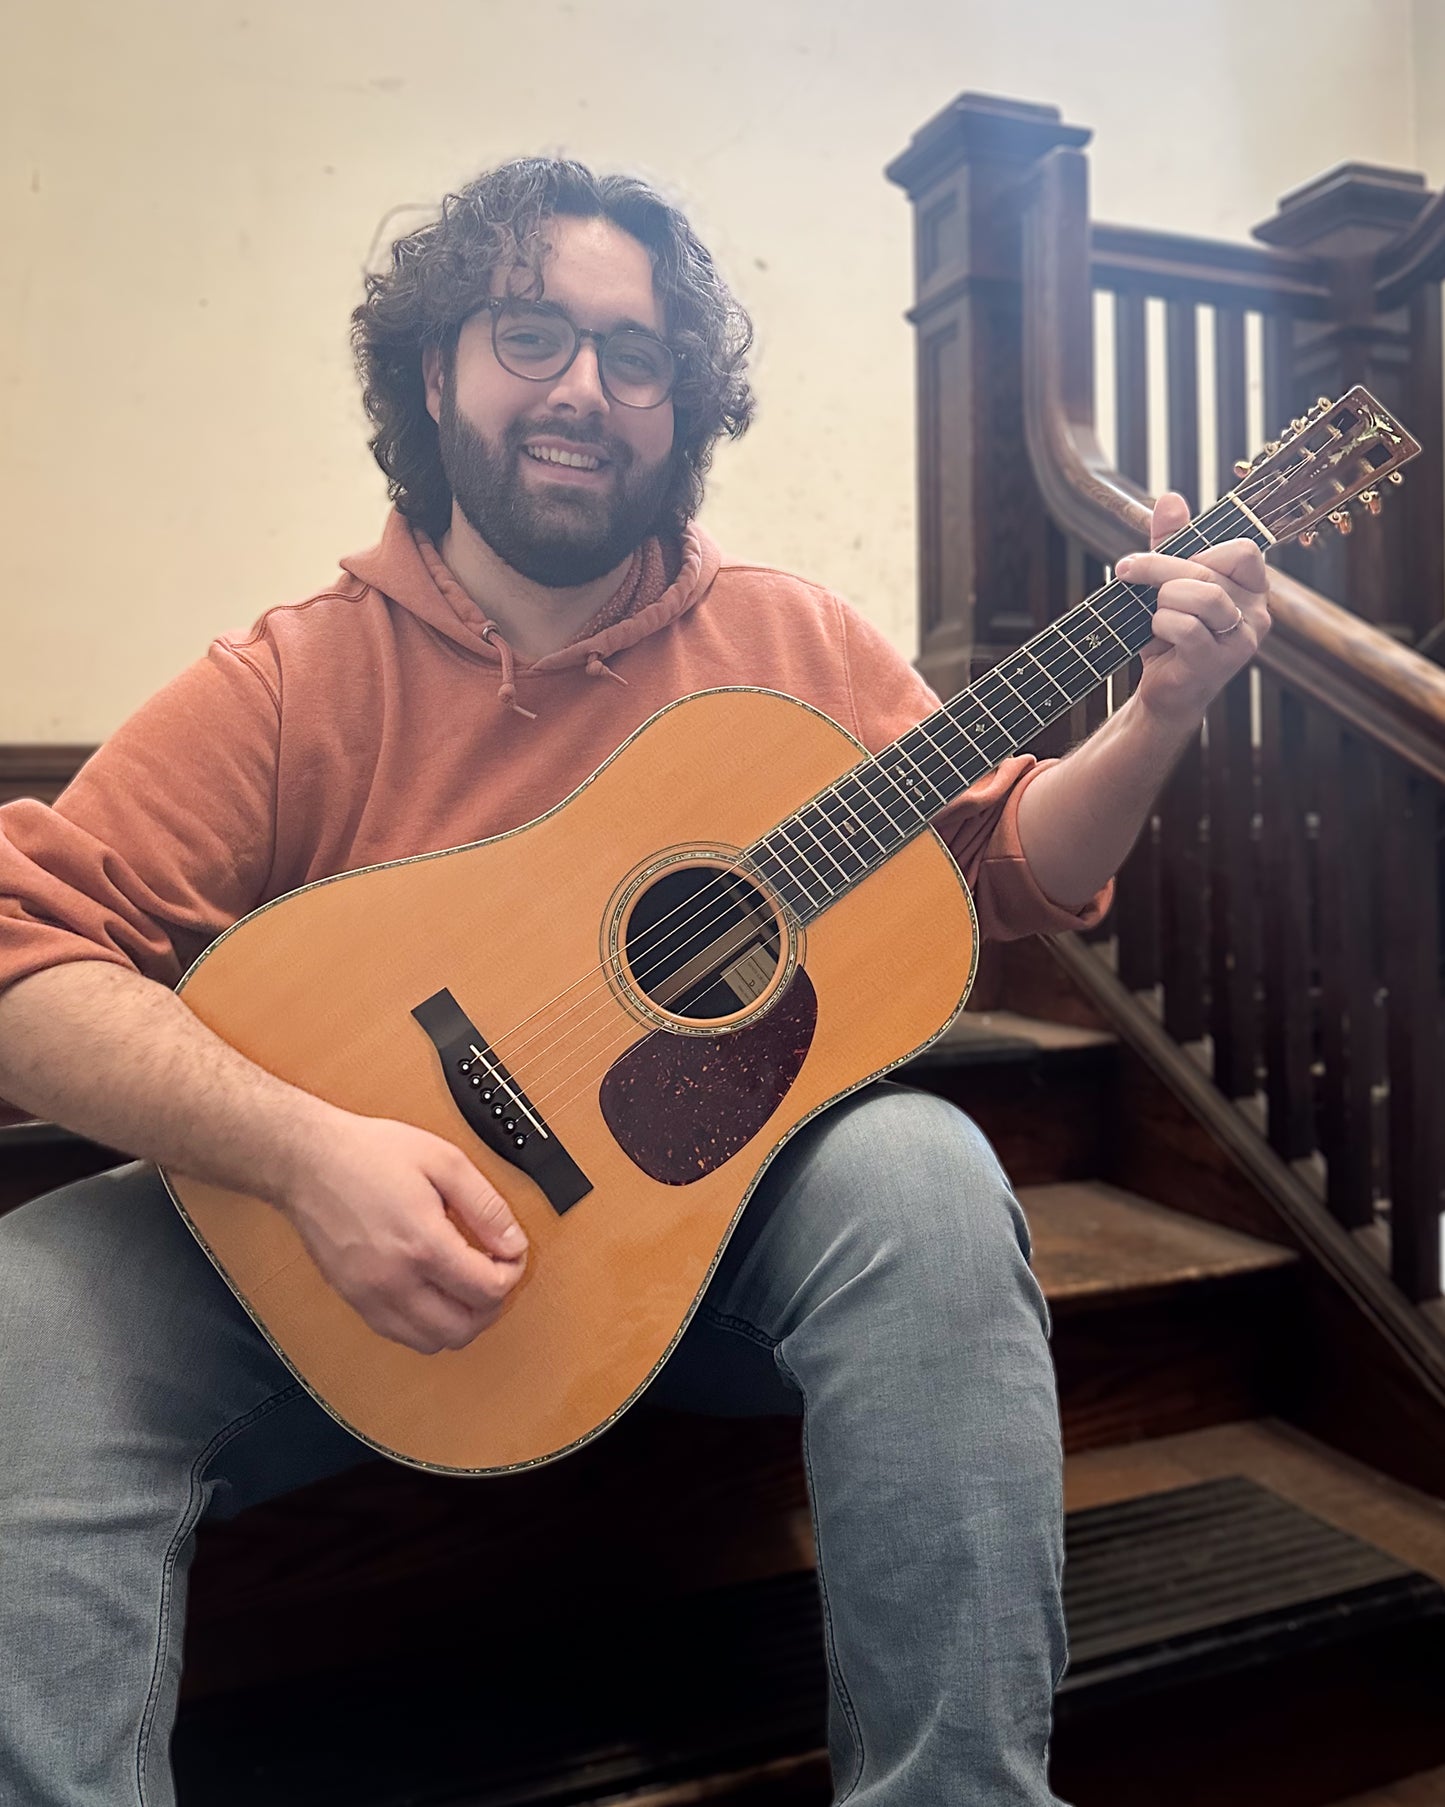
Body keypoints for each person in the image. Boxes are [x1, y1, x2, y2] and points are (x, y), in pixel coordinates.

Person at [0, 158, 1269, 1807]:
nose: (585, 389)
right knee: (32, 1293)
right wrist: (310, 1155)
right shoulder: (295, 676)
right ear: (433, 371)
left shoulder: (786, 643)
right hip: (334, 1279)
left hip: (687, 1260)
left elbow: (1006, 861)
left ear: (684, 405)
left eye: (638, 353)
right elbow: (25, 950)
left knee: (928, 1168)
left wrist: (1158, 712)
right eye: (532, 333)